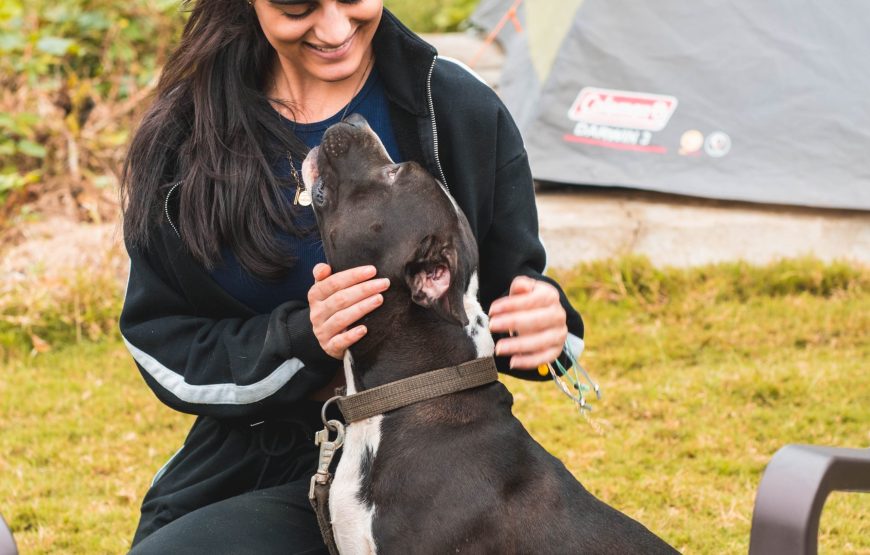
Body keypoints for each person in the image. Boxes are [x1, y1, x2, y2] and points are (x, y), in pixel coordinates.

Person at [120, 0, 585, 552]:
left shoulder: (457, 109)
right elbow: (164, 342)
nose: (336, 29)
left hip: (438, 466)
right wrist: (299, 339)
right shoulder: (185, 138)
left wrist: (546, 327)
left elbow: (510, 295)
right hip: (259, 466)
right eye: (299, 7)